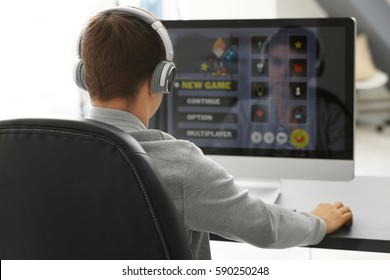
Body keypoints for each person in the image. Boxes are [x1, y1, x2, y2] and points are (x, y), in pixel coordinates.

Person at [77, 6, 353, 260]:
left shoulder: (44, 152)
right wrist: (317, 222)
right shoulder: (180, 166)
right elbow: (264, 226)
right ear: (162, 79)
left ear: (83, 76)